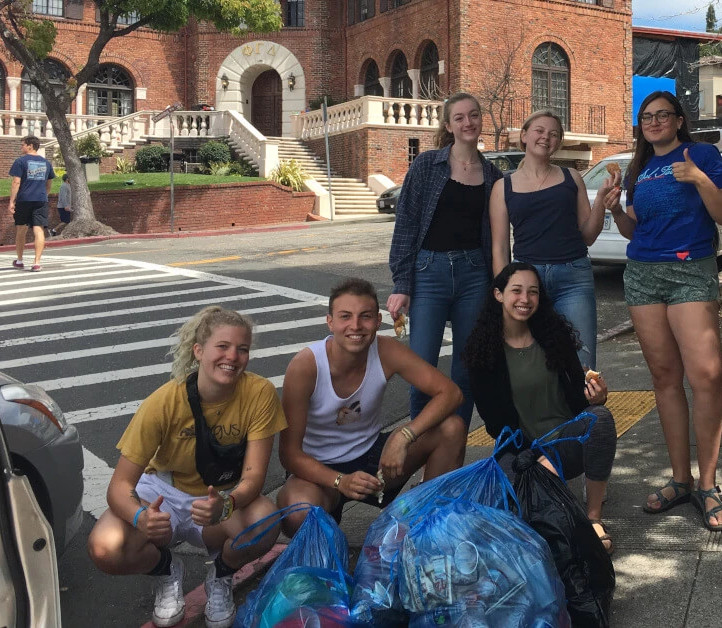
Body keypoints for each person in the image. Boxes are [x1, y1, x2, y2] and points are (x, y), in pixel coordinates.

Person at [87, 306, 288, 628]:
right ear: (198, 351)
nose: (232, 356)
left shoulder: (259, 392)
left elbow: (254, 475)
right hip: (163, 493)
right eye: (222, 346)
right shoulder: (164, 401)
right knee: (105, 547)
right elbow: (119, 486)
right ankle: (165, 569)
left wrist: (227, 504)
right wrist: (140, 517)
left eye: (242, 349)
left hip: (219, 496)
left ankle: (220, 574)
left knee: (264, 524)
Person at [609, 91, 722, 532]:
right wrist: (615, 211)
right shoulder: (638, 168)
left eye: (662, 114)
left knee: (706, 375)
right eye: (646, 117)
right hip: (643, 275)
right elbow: (634, 231)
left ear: (679, 120)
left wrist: (700, 179)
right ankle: (681, 479)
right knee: (664, 378)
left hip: (690, 270)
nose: (654, 121)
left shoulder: (702, 155)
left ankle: (708, 484)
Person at [275, 278, 467, 536]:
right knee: (297, 513)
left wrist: (404, 435)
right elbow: (289, 454)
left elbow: (451, 393)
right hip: (319, 469)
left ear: (377, 321)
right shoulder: (306, 365)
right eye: (345, 316)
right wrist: (340, 481)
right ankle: (323, 536)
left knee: (452, 428)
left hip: (373, 458)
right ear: (330, 322)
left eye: (365, 316)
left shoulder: (385, 349)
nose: (355, 326)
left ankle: (426, 529)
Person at [464, 262, 617, 553]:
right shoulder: (483, 351)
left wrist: (596, 397)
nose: (525, 299)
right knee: (526, 531)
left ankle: (593, 517)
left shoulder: (553, 335)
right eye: (517, 291)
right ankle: (554, 505)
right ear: (498, 294)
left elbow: (578, 402)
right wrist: (533, 457)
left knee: (600, 418)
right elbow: (496, 426)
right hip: (520, 452)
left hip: (564, 443)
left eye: (533, 292)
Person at [387, 92, 503, 426]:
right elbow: (406, 224)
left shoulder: (492, 175)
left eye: (474, 115)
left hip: (474, 275)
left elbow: (497, 238)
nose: (468, 122)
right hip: (429, 273)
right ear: (449, 126)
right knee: (422, 367)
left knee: (467, 369)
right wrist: (402, 283)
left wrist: (499, 288)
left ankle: (454, 447)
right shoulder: (427, 165)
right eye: (460, 117)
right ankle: (418, 446)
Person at [489, 110, 620, 370]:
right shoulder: (503, 187)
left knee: (582, 363)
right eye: (539, 131)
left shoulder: (571, 177)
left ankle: (582, 399)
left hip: (574, 278)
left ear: (558, 142)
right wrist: (504, 291)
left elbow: (588, 236)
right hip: (528, 281)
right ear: (524, 136)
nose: (546, 137)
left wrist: (601, 199)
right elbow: (500, 247)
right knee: (533, 362)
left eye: (553, 134)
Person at [8, 135, 55, 272]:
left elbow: (16, 182)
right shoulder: (46, 163)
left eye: (23, 144)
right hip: (40, 199)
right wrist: (44, 195)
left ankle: (20, 260)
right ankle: (36, 262)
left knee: (21, 229)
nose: (21, 147)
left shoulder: (20, 162)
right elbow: (49, 183)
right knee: (38, 229)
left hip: (24, 199)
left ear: (30, 146)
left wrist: (11, 201)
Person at [52, 172, 72, 236]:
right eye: (70, 178)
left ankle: (64, 233)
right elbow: (63, 196)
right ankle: (53, 230)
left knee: (68, 221)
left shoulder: (68, 185)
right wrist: (66, 206)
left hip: (67, 206)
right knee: (66, 221)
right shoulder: (64, 186)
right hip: (62, 207)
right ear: (67, 179)